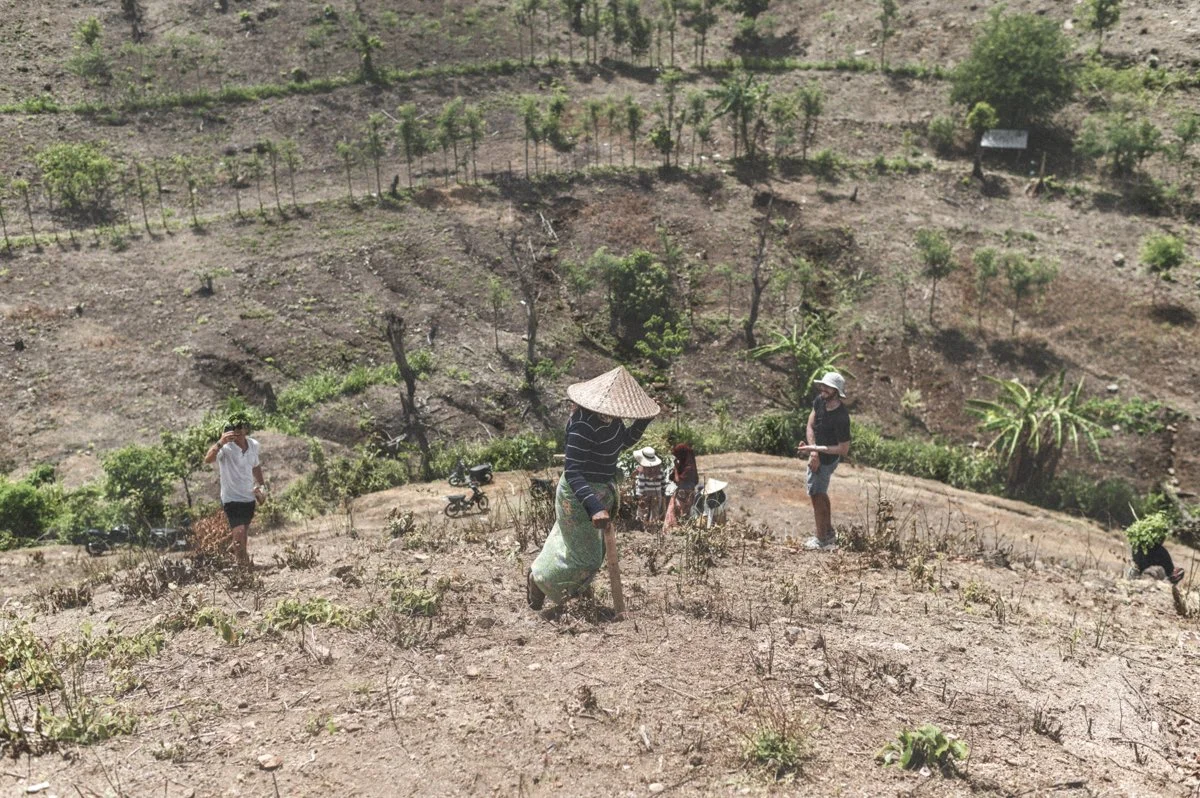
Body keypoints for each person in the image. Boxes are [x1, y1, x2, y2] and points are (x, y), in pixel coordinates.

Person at [528, 367, 661, 611]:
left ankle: (561, 585)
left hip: (600, 490)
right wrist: (595, 507)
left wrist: (643, 421)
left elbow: (622, 442)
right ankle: (540, 582)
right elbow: (573, 472)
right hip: (579, 496)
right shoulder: (582, 425)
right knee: (586, 558)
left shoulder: (612, 419)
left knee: (578, 547)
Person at [797, 372, 851, 551]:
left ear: (836, 391)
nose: (823, 389)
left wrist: (816, 451)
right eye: (823, 385)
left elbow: (843, 449)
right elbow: (810, 425)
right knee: (820, 492)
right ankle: (828, 533)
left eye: (828, 387)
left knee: (817, 494)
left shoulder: (841, 417)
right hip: (817, 455)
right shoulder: (820, 401)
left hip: (827, 460)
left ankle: (821, 539)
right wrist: (813, 452)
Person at [204, 416, 267, 567]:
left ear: (245, 429)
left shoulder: (253, 445)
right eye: (233, 428)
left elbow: (255, 466)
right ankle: (243, 568)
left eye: (240, 427)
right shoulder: (225, 449)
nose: (237, 431)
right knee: (239, 532)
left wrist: (262, 486)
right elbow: (208, 459)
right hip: (231, 498)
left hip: (248, 497)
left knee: (242, 535)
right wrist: (220, 442)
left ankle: (236, 554)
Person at [663, 442, 698, 530]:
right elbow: (672, 478)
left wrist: (675, 468)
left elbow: (678, 481)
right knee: (681, 514)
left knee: (682, 513)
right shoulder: (683, 465)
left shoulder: (689, 468)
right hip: (683, 493)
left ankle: (681, 529)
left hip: (684, 494)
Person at [633, 446, 666, 526]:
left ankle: (642, 527)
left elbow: (641, 485)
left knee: (643, 512)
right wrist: (663, 492)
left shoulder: (643, 470)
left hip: (645, 494)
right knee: (655, 513)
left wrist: (639, 496)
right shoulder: (660, 470)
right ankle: (653, 528)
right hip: (657, 493)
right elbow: (663, 483)